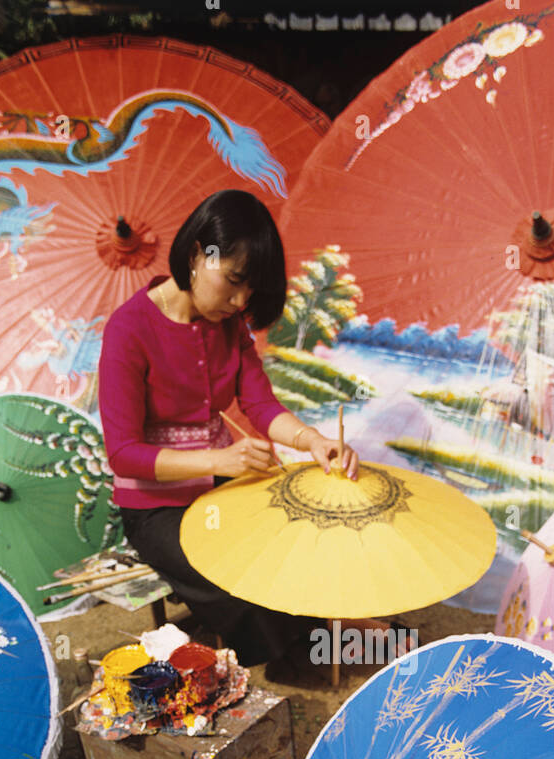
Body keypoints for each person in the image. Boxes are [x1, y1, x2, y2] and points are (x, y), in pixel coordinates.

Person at [97, 189, 361, 667]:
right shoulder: (128, 329)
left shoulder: (228, 324)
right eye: (234, 281)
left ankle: (330, 627)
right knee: (233, 579)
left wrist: (313, 441)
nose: (240, 301)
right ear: (199, 254)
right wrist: (218, 460)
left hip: (222, 484)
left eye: (250, 291)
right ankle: (307, 646)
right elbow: (122, 453)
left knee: (292, 534)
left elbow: (258, 402)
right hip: (155, 506)